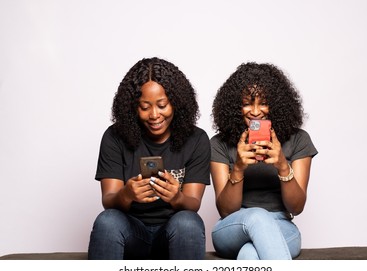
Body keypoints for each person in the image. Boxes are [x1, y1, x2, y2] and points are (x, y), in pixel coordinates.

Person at [88, 57, 210, 260]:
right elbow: (108, 199)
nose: (154, 115)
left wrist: (176, 197)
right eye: (144, 107)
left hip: (173, 234)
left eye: (162, 105)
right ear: (132, 107)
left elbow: (193, 202)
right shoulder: (114, 137)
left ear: (177, 103)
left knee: (188, 222)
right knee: (107, 221)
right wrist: (126, 194)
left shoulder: (196, 139)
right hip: (131, 233)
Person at [210, 62, 318, 260]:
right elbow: (226, 210)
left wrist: (283, 166)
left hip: (281, 224)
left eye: (263, 103)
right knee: (257, 216)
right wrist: (239, 169)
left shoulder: (299, 140)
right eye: (247, 103)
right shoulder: (219, 143)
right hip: (234, 225)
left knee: (250, 255)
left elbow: (296, 207)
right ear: (235, 106)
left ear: (277, 104)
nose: (255, 111)